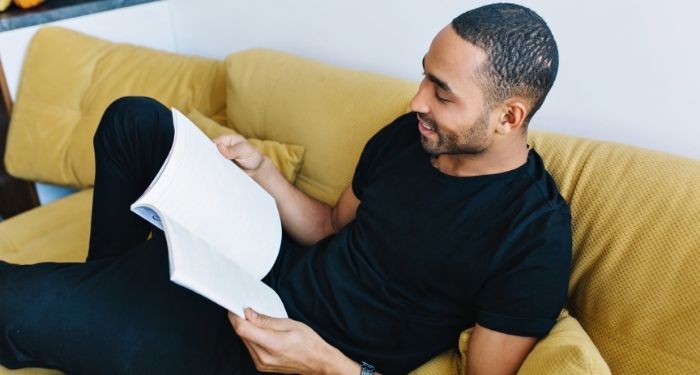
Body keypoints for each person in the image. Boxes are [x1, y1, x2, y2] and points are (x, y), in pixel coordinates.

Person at [0, 3, 571, 374]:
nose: (417, 100)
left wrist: (324, 363)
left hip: (278, 348)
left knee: (16, 306)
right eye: (424, 74)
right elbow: (327, 226)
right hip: (261, 265)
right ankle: (111, 293)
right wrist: (261, 171)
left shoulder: (532, 236)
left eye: (442, 93)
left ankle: (101, 304)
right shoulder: (412, 137)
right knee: (136, 121)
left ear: (509, 116)